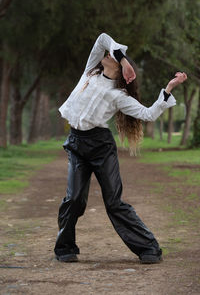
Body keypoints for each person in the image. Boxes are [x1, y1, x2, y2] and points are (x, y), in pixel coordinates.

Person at [54, 33, 187, 264]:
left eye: (114, 57)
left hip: (101, 147)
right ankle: (65, 247)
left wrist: (169, 88)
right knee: (73, 198)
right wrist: (123, 59)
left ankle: (149, 248)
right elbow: (102, 39)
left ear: (121, 73)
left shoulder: (119, 95)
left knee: (114, 202)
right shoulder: (89, 71)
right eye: (113, 55)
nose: (109, 55)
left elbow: (148, 114)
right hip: (76, 143)